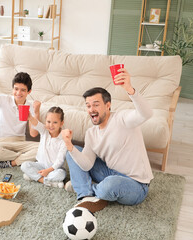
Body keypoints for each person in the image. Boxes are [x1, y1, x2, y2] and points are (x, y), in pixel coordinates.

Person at [61, 68, 153, 213]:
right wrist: (69, 145)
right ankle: (85, 195)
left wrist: (129, 89)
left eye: (96, 104)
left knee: (109, 185)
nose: (91, 109)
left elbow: (147, 113)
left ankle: (87, 187)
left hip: (136, 184)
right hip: (109, 172)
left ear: (108, 105)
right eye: (88, 105)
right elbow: (86, 165)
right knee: (72, 152)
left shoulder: (123, 119)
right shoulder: (91, 133)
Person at [0, 60, 40, 170]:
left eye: (23, 90)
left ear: (29, 92)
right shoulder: (3, 100)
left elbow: (33, 133)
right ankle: (23, 158)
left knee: (41, 149)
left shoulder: (31, 107)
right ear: (12, 89)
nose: (18, 93)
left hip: (20, 142)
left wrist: (37, 112)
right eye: (16, 89)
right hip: (1, 141)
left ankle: (10, 162)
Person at [21, 106, 67, 188]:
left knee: (61, 174)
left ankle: (34, 177)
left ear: (61, 123)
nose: (51, 125)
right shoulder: (44, 131)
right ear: (45, 121)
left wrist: (48, 171)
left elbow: (60, 161)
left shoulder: (63, 140)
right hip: (40, 165)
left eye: (55, 122)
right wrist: (30, 117)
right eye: (48, 121)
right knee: (24, 165)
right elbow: (36, 124)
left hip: (54, 169)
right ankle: (46, 181)